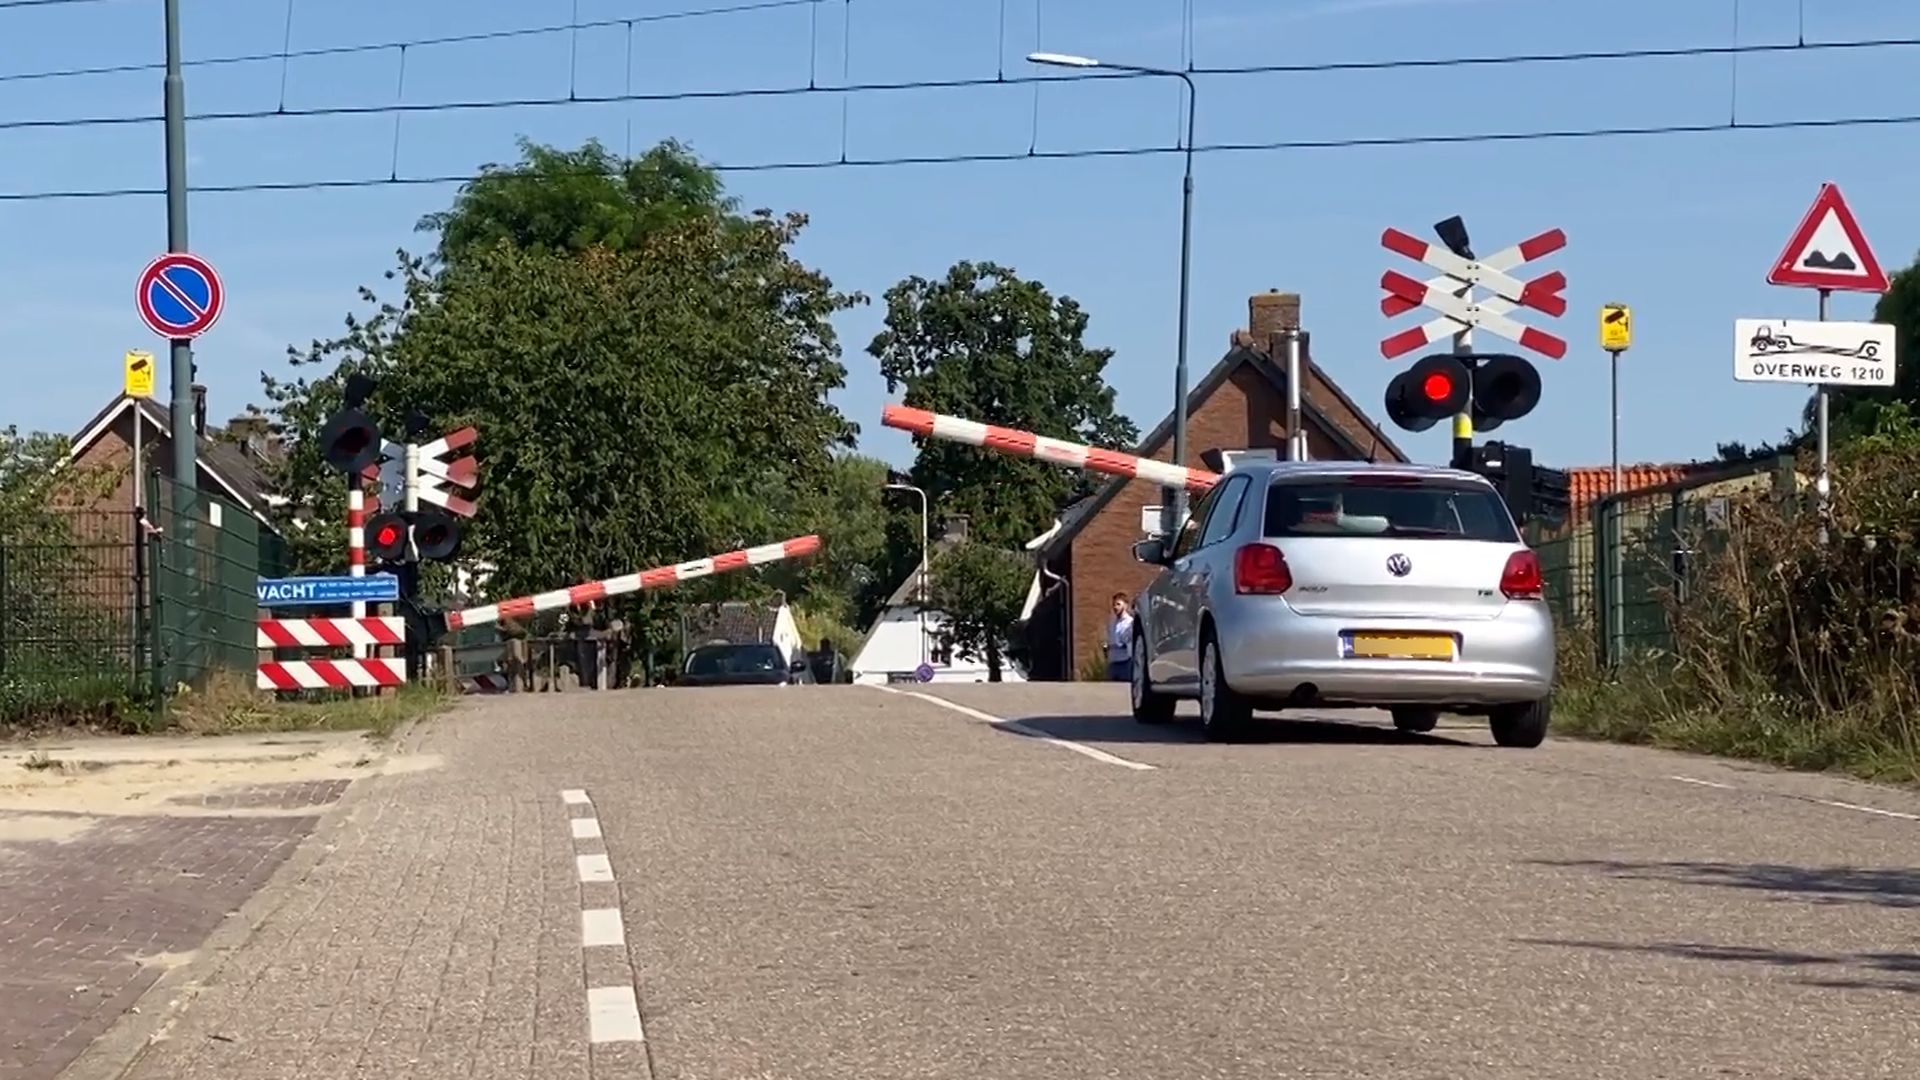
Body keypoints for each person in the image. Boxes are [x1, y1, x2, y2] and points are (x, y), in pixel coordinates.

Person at [1104, 592, 1135, 683]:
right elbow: (1108, 639)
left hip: (1125, 662)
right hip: (1113, 662)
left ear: (1125, 605)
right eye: (1114, 605)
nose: (1115, 607)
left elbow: (1128, 641)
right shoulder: (1112, 623)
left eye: (1118, 604)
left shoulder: (1130, 623)